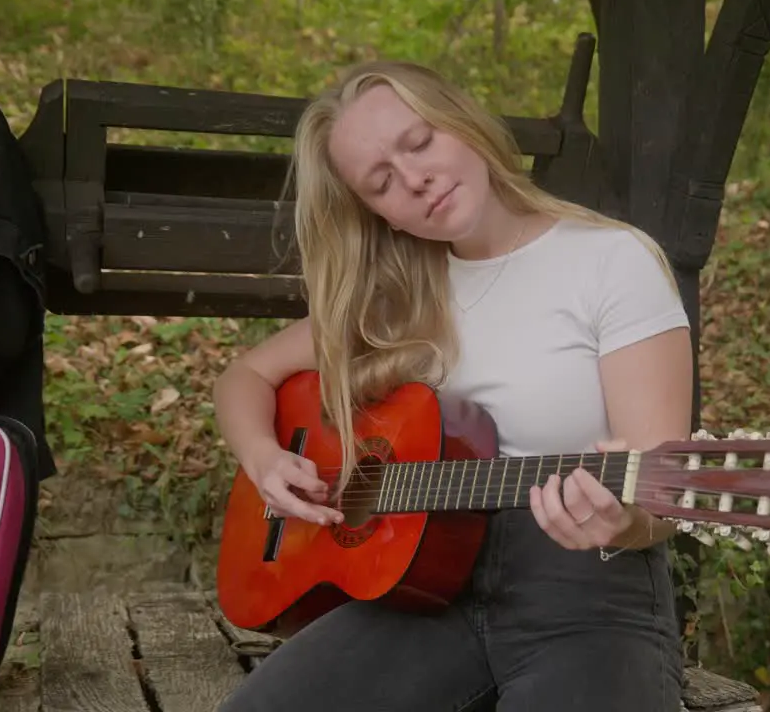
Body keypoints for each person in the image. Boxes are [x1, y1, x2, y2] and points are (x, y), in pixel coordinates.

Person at [212, 59, 694, 712]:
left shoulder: (611, 262)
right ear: (379, 215)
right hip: (422, 591)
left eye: (420, 142)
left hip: (587, 599)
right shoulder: (396, 299)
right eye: (382, 183)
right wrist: (265, 457)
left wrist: (625, 523)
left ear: (462, 122)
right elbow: (244, 377)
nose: (417, 180)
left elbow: (662, 495)